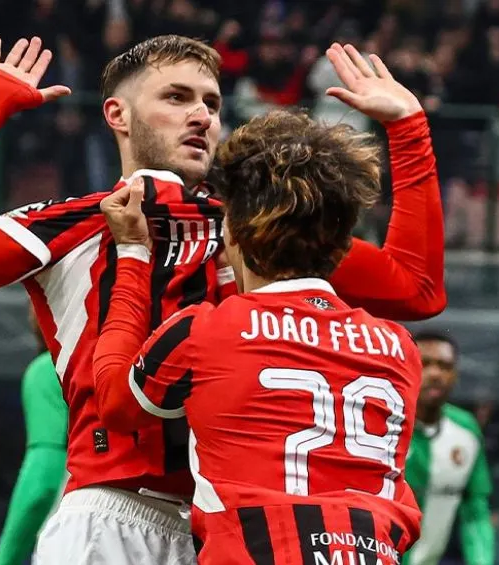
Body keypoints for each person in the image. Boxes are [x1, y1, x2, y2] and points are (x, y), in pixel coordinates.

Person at [0, 35, 444, 564]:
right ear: (116, 115)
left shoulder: (259, 231)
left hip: (229, 531)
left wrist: (408, 128)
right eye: (177, 97)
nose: (202, 115)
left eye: (212, 104)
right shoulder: (74, 224)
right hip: (113, 515)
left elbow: (416, 288)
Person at [90, 45, 428, 564]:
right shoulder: (399, 348)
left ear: (233, 234)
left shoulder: (205, 331)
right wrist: (409, 127)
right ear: (344, 248)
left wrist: (133, 255)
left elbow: (115, 404)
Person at [405, 331, 494, 565]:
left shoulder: (466, 431)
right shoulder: (378, 425)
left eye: (444, 366)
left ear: (455, 375)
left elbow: (475, 512)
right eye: (424, 364)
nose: (435, 374)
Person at [0, 310, 70, 565]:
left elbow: (42, 483)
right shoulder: (131, 366)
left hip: (74, 537)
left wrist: (5, 560)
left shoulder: (48, 371)